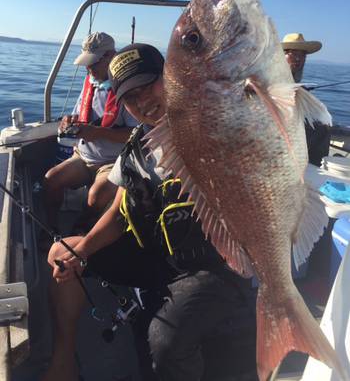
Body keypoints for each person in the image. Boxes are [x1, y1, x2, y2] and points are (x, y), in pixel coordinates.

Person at [43, 43, 257, 381]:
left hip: (214, 264)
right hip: (158, 255)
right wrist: (81, 251)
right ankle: (64, 360)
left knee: (165, 339)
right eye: (130, 97)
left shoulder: (213, 123)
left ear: (171, 77)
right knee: (61, 251)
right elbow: (117, 212)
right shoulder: (137, 147)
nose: (143, 102)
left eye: (149, 86)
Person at [43, 32, 137, 231]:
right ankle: (50, 229)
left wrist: (99, 133)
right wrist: (68, 121)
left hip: (112, 162)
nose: (89, 68)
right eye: (87, 63)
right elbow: (78, 114)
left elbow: (137, 133)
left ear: (111, 56)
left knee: (96, 196)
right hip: (83, 156)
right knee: (51, 179)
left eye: (93, 63)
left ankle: (82, 227)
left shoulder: (128, 90)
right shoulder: (91, 83)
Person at [282, 32, 331, 166]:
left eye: (303, 55)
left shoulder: (295, 78)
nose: (299, 59)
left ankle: (314, 166)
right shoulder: (271, 74)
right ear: (282, 55)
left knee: (323, 125)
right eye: (294, 53)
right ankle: (314, 166)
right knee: (321, 127)